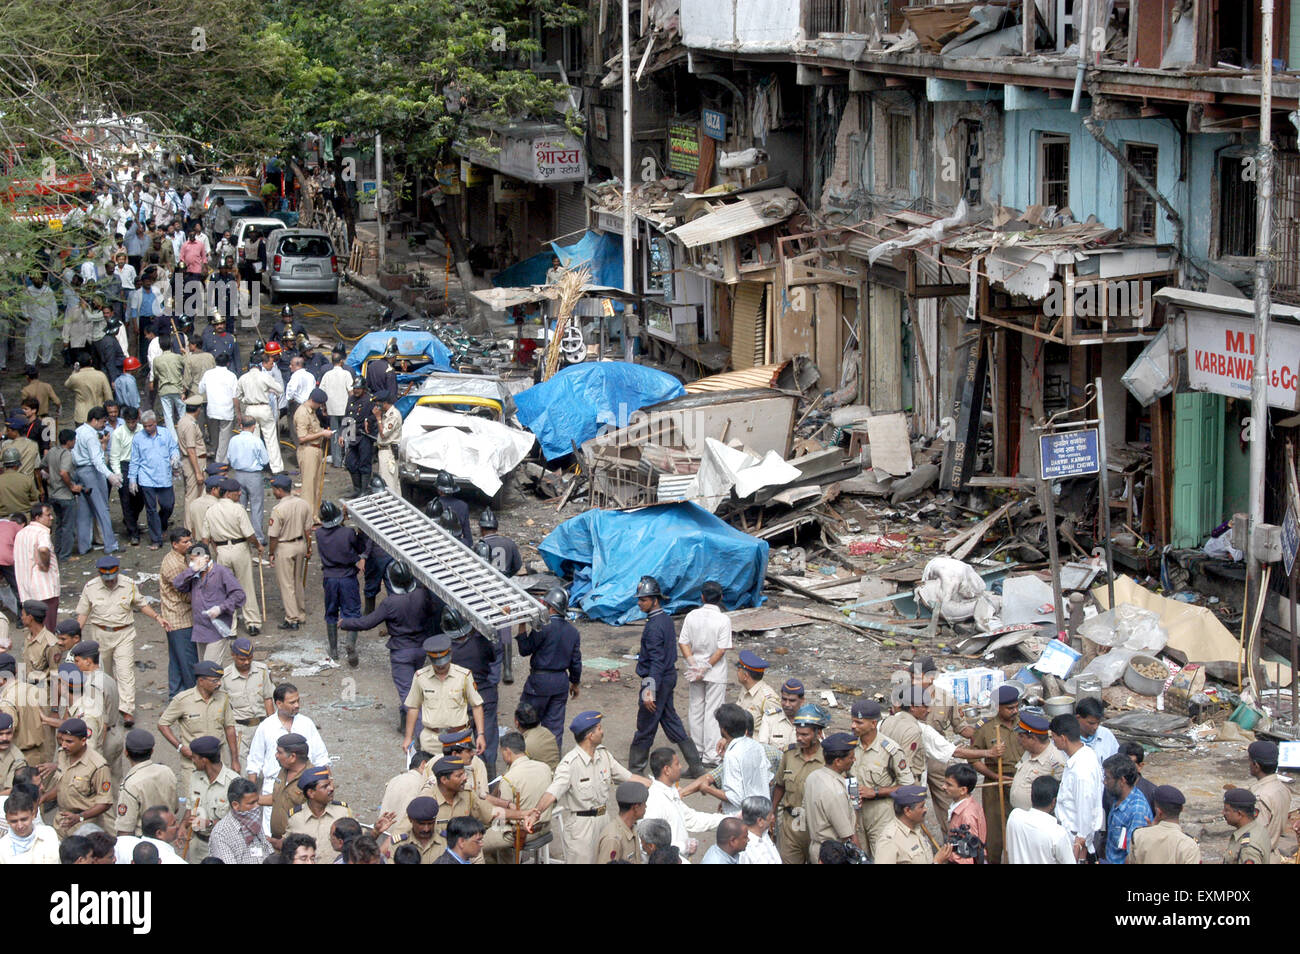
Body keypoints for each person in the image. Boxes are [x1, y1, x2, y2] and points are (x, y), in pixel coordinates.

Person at [524, 711, 650, 866]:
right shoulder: (570, 764)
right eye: (599, 728)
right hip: (581, 827)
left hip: (604, 820)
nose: (602, 731)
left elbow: (628, 777)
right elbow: (553, 792)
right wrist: (536, 813)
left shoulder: (604, 755)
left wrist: (654, 785)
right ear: (590, 735)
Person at [339, 560, 442, 731]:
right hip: (420, 649)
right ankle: (406, 725)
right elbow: (433, 611)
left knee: (408, 696)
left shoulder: (391, 603)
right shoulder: (422, 595)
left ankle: (421, 737)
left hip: (401, 652)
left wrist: (345, 623)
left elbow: (367, 622)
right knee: (416, 688)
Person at [76, 554, 168, 724]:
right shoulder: (90, 587)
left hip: (124, 633)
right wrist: (75, 635)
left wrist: (157, 617)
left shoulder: (129, 584)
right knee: (103, 673)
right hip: (100, 635)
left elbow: (141, 604)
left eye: (113, 578)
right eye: (106, 579)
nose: (110, 582)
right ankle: (104, 706)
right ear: (99, 574)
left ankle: (127, 709)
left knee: (125, 672)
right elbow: (83, 614)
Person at [629, 575, 701, 777]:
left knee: (645, 724)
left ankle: (635, 770)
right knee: (671, 721)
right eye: (640, 599)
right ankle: (696, 766)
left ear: (655, 599)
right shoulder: (665, 620)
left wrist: (650, 688)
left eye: (643, 600)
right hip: (667, 678)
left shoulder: (653, 626)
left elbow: (656, 660)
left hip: (656, 680)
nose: (639, 603)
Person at [515, 586, 581, 751]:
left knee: (527, 722)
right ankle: (552, 764)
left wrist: (521, 625)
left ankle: (527, 760)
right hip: (560, 683)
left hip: (539, 683)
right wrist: (575, 683)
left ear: (551, 607)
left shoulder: (542, 628)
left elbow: (524, 650)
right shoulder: (573, 632)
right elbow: (576, 661)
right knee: (555, 729)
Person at [849, 698, 914, 858]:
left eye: (859, 723)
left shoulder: (890, 750)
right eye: (852, 722)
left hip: (881, 814)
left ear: (873, 723)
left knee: (882, 856)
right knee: (858, 857)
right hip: (855, 813)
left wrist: (876, 792)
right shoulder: (849, 746)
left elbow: (908, 787)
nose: (853, 726)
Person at [967, 683, 1023, 864]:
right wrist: (995, 777)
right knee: (995, 830)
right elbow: (973, 759)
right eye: (1009, 708)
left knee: (1022, 826)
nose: (1014, 711)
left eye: (1016, 707)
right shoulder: (985, 728)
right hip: (995, 781)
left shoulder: (1025, 723)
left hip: (1021, 779)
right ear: (998, 707)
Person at [401, 634, 484, 756]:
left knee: (461, 773)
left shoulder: (464, 676)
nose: (440, 666)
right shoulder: (420, 677)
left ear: (450, 655)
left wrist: (481, 734)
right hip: (431, 740)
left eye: (443, 663)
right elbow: (413, 707)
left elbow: (477, 706)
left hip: (459, 738)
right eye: (437, 664)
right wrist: (408, 737)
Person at [677, 581, 731, 768]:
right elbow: (721, 650)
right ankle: (711, 755)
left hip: (695, 670)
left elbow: (683, 643)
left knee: (696, 709)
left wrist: (694, 664)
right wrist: (706, 667)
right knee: (713, 712)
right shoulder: (723, 620)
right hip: (714, 672)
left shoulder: (692, 616)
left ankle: (697, 752)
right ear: (721, 597)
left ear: (702, 597)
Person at [201, 478, 263, 637]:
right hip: (240, 548)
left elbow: (205, 539)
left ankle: (230, 627)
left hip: (221, 551)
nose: (240, 494)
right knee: (246, 585)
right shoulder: (238, 509)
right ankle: (253, 623)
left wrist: (208, 556)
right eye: (237, 492)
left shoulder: (210, 510)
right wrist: (258, 545)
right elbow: (249, 534)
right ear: (228, 494)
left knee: (226, 589)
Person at [245, 683, 330, 799]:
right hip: (273, 787)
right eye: (292, 703)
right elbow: (254, 762)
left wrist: (328, 785)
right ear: (279, 704)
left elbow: (321, 757)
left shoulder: (306, 724)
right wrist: (252, 794)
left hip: (304, 787)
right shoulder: (265, 727)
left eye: (298, 701)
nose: (297, 705)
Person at [445, 609, 504, 775]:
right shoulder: (481, 643)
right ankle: (490, 779)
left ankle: (462, 775)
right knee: (488, 741)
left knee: (458, 742)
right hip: (485, 695)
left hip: (459, 700)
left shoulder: (447, 651)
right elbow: (493, 657)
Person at [644, 746, 726, 861]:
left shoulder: (671, 792)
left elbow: (692, 819)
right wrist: (683, 847)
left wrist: (728, 819)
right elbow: (650, 846)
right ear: (667, 770)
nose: (681, 767)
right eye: (677, 764)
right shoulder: (654, 801)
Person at [172, 541, 247, 665]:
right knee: (205, 668)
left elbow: (239, 595)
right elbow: (177, 584)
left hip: (217, 629)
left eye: (195, 560)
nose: (192, 563)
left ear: (206, 558)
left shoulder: (221, 572)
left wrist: (221, 608)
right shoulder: (195, 574)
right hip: (200, 630)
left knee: (210, 669)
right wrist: (192, 570)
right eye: (191, 560)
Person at [42, 717, 113, 838]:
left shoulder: (98, 766)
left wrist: (80, 817)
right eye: (61, 740)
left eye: (69, 741)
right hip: (61, 823)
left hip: (84, 827)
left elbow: (105, 802)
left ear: (83, 740)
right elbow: (62, 785)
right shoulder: (62, 754)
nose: (64, 745)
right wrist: (43, 798)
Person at [697, 702, 771, 813]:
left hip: (743, 819)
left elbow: (736, 798)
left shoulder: (732, 755)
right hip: (762, 814)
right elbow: (767, 779)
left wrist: (707, 789)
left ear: (724, 730)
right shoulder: (757, 746)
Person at [316, 500, 365, 664]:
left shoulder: (319, 534)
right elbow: (359, 548)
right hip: (347, 577)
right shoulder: (348, 533)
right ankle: (350, 643)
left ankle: (334, 650)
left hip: (329, 578)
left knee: (331, 612)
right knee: (351, 611)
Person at [1051, 713, 1104, 862]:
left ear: (1063, 738)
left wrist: (1080, 847)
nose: (1052, 741)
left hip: (1076, 841)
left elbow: (1085, 808)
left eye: (1053, 737)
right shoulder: (1081, 755)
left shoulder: (1081, 770)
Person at [801, 731, 859, 862]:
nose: (853, 760)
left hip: (817, 847)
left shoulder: (813, 776)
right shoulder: (834, 789)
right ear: (838, 761)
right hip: (832, 855)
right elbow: (847, 834)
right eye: (851, 757)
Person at [71, 406, 121, 555]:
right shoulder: (91, 435)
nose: (103, 425)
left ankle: (84, 545)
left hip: (79, 470)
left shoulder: (78, 431)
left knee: (84, 511)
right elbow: (97, 460)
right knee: (102, 508)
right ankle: (110, 544)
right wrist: (110, 476)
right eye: (102, 422)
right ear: (94, 420)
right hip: (91, 471)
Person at [129, 411, 181, 550]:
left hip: (164, 476)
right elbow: (134, 460)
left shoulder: (165, 433)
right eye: (145, 426)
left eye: (150, 425)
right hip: (146, 478)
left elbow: (173, 448)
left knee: (168, 505)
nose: (147, 428)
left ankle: (162, 522)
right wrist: (132, 479)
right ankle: (156, 539)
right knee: (151, 510)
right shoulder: (138, 438)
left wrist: (175, 457)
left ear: (155, 423)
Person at [266, 475, 312, 631]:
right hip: (300, 544)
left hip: (285, 547)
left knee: (286, 584)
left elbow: (274, 536)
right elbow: (308, 530)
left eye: (274, 489)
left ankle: (292, 618)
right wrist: (309, 548)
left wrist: (271, 553)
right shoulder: (303, 503)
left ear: (279, 490)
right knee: (297, 581)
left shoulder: (278, 509)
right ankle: (301, 613)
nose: (273, 492)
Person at [115, 729, 179, 836]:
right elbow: (175, 808)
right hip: (165, 836)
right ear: (152, 751)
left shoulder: (130, 785)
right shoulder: (166, 771)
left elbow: (125, 828)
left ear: (126, 752)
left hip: (142, 842)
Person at [285, 765, 353, 864]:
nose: (331, 789)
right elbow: (289, 849)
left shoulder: (343, 812)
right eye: (325, 786)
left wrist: (375, 832)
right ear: (311, 793)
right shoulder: (295, 818)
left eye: (330, 784)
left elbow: (358, 844)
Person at [223, 637, 274, 764]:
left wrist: (273, 725)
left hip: (261, 725)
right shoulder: (225, 677)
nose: (246, 662)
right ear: (233, 655)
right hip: (240, 730)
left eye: (250, 658)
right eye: (242, 659)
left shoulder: (262, 671)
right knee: (243, 767)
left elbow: (268, 698)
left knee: (266, 764)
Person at [875, 784, 954, 865]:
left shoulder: (916, 828)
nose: (925, 809)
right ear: (908, 811)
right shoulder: (889, 841)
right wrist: (937, 862)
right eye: (921, 807)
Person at [1006, 776, 1075, 864]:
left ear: (1031, 796)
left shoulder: (1014, 817)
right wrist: (1078, 846)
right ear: (1054, 802)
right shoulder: (1058, 833)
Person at [1009, 710, 1067, 811]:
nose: (1018, 739)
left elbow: (1060, 796)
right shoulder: (1028, 751)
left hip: (1036, 820)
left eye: (1021, 736)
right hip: (1018, 814)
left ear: (1033, 738)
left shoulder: (1056, 761)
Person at [1127, 784, 1200, 864]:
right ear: (1182, 809)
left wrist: (1149, 830)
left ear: (1159, 812)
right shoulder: (1189, 845)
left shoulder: (1138, 835)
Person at [226, 417, 270, 549]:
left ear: (241, 425)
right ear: (254, 426)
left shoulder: (234, 440)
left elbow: (229, 457)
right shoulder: (256, 440)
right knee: (256, 506)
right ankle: (258, 537)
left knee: (240, 506)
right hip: (254, 475)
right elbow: (265, 459)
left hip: (238, 474)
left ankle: (240, 535)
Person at [208, 777, 273, 864]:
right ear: (235, 805)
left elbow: (269, 852)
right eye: (251, 803)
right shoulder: (221, 833)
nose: (257, 806)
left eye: (257, 801)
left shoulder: (254, 822)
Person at [15, 505, 59, 627]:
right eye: (48, 515)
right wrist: (44, 564)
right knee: (47, 630)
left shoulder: (21, 533)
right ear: (37, 517)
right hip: (44, 590)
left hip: (26, 591)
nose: (51, 518)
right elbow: (44, 549)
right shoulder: (42, 532)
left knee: (34, 629)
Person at [262, 732, 312, 841]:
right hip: (277, 839)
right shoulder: (283, 770)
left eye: (279, 752)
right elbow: (279, 797)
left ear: (293, 757)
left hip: (297, 842)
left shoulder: (311, 779)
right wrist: (253, 799)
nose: (276, 756)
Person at [1246, 739, 1291, 860]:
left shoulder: (1260, 797)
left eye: (1249, 761)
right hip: (1273, 855)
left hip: (1259, 857)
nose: (1248, 764)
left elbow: (1255, 836)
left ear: (1256, 765)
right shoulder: (1283, 789)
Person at [295, 389, 332, 519]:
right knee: (308, 487)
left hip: (316, 449)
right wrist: (322, 434)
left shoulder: (312, 412)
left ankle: (314, 515)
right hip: (308, 450)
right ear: (313, 401)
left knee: (316, 485)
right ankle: (307, 518)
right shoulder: (302, 413)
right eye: (320, 404)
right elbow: (302, 437)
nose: (320, 407)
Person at [43, 429, 79, 562]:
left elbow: (43, 465)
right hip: (65, 495)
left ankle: (57, 551)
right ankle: (65, 555)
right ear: (69, 441)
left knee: (58, 524)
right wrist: (72, 486)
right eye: (74, 440)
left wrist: (52, 476)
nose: (75, 442)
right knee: (68, 526)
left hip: (53, 494)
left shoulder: (52, 451)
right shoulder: (67, 454)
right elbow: (64, 473)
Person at [735, 649, 782, 748]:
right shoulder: (745, 689)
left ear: (745, 676)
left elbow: (777, 734)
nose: (736, 672)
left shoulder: (768, 699)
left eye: (739, 670)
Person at [0, 788, 60, 864]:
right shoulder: (2, 848)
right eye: (14, 821)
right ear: (7, 820)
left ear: (33, 815)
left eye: (24, 819)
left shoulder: (48, 834)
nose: (20, 826)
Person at [595, 780, 649, 863]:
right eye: (644, 803)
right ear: (636, 807)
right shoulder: (613, 839)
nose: (646, 806)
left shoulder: (632, 828)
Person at [199, 353, 239, 463]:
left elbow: (201, 389)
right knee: (224, 438)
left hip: (212, 411)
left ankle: (215, 454)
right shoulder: (232, 376)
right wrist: (239, 414)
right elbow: (235, 397)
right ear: (228, 363)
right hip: (226, 411)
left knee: (214, 436)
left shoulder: (208, 374)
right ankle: (220, 462)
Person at [943, 763, 986, 863]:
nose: (943, 787)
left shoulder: (967, 815)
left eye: (949, 784)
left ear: (963, 790)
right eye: (944, 783)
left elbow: (969, 853)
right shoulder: (964, 805)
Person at [383, 795, 445, 863]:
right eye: (421, 824)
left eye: (430, 823)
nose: (426, 829)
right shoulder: (398, 843)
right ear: (410, 819)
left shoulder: (446, 841)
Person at [342, 379, 376, 497]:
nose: (355, 390)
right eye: (354, 388)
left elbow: (375, 415)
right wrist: (343, 433)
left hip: (364, 435)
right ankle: (357, 488)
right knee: (350, 462)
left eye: (358, 388)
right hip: (352, 433)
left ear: (363, 388)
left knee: (364, 463)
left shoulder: (369, 400)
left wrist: (369, 421)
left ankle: (364, 489)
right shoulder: (351, 399)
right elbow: (347, 417)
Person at [320, 348, 353, 468]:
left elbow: (322, 392)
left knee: (334, 435)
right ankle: (348, 460)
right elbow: (351, 392)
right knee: (347, 434)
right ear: (342, 361)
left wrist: (324, 407)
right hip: (345, 409)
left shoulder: (327, 375)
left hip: (332, 409)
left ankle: (337, 461)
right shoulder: (346, 374)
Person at [1222, 788, 1270, 865]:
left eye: (1227, 810)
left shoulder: (1247, 848)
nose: (1223, 813)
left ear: (1239, 814)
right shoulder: (1258, 828)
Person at [20, 274, 58, 368]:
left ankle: (46, 360)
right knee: (32, 342)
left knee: (47, 342)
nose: (38, 281)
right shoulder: (28, 291)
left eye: (40, 278)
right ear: (32, 280)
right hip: (33, 321)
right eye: (36, 279)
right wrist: (26, 315)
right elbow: (23, 304)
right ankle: (30, 362)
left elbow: (53, 306)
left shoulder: (48, 291)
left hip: (46, 320)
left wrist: (54, 318)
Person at [176, 395, 209, 505]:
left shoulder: (183, 420)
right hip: (194, 462)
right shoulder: (190, 424)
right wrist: (198, 473)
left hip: (191, 461)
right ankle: (190, 522)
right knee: (193, 497)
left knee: (195, 495)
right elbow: (191, 450)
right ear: (198, 409)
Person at [433, 471, 473, 547]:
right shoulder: (463, 506)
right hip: (458, 543)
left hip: (438, 545)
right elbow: (467, 533)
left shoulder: (435, 506)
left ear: (439, 490)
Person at [738, 795, 781, 864]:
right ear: (760, 821)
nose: (773, 817)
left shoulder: (764, 835)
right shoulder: (746, 849)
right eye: (770, 815)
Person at [1075, 697, 1119, 761]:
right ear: (1078, 718)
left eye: (1098, 723)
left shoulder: (1106, 734)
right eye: (1091, 723)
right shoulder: (1066, 740)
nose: (1095, 727)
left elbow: (1118, 761)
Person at [374, 396, 401, 495]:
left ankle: (391, 508)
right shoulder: (386, 414)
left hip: (389, 452)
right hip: (384, 451)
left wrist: (378, 418)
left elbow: (384, 434)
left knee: (388, 483)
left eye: (378, 404)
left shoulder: (393, 415)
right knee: (390, 481)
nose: (377, 407)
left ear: (384, 403)